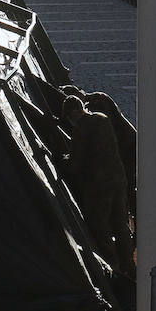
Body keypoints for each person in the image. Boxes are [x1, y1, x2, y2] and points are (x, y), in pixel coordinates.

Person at [61, 94, 135, 280]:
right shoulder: (103, 119)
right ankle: (129, 265)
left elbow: (76, 163)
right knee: (120, 224)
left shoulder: (82, 127)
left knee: (99, 226)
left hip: (99, 185)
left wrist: (63, 162)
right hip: (118, 180)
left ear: (73, 113)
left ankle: (112, 267)